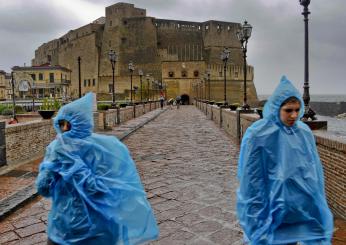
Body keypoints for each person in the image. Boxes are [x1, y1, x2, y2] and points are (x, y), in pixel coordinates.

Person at [36, 93, 159, 245]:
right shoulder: (109, 148)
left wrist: (62, 160)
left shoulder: (58, 149)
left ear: (66, 124)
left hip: (66, 229)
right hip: (104, 229)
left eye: (62, 124)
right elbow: (111, 189)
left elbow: (44, 188)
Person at [236, 76, 333, 245]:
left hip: (298, 212)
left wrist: (316, 207)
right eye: (288, 110)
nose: (294, 115)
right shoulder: (258, 134)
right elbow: (251, 180)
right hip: (270, 212)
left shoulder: (303, 132)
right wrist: (255, 219)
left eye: (297, 109)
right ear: (276, 108)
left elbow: (314, 171)